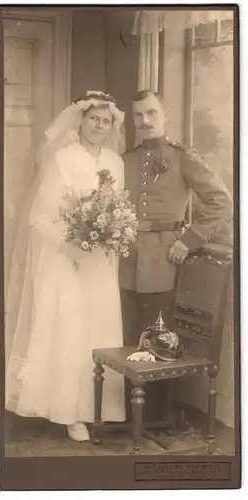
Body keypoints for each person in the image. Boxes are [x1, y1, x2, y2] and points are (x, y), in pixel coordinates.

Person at [5, 91, 126, 442]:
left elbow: (117, 209)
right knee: (70, 331)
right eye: (93, 119)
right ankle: (69, 412)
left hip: (100, 263)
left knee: (98, 330)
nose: (99, 126)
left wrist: (110, 233)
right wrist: (72, 244)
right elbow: (39, 215)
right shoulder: (63, 158)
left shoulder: (115, 163)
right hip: (67, 259)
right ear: (81, 120)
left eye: (106, 121)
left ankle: (97, 409)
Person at [119, 90, 233, 421]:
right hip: (125, 261)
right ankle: (130, 418)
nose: (145, 121)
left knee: (158, 341)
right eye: (139, 115)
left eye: (151, 113)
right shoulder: (125, 159)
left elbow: (221, 201)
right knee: (126, 339)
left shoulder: (183, 157)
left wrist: (190, 240)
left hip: (165, 260)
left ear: (164, 114)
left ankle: (157, 417)